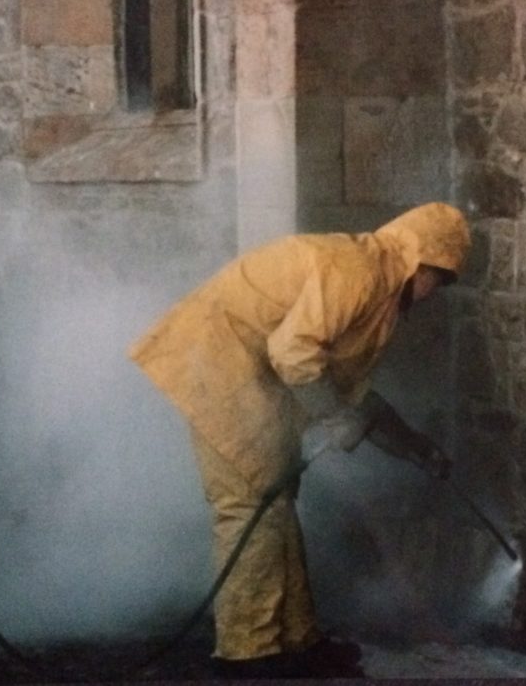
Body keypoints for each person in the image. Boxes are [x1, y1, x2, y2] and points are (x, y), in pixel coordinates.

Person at [128, 202, 471, 678]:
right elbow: (293, 354)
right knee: (250, 504)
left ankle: (294, 640)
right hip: (219, 361)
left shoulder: (380, 288)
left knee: (276, 501)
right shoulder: (358, 272)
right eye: (440, 278)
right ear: (420, 261)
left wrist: (414, 447)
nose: (435, 292)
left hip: (247, 371)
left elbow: (355, 398)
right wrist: (333, 416)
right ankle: (248, 654)